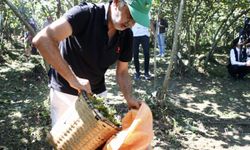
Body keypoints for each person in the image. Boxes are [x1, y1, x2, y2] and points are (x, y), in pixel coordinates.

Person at [32, 0, 152, 126]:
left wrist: (129, 97)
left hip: (96, 93)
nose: (131, 24)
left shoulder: (126, 35)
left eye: (135, 20)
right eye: (130, 16)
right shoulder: (86, 14)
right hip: (65, 92)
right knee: (67, 141)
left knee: (97, 141)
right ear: (117, 3)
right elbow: (42, 40)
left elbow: (122, 72)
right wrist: (73, 79)